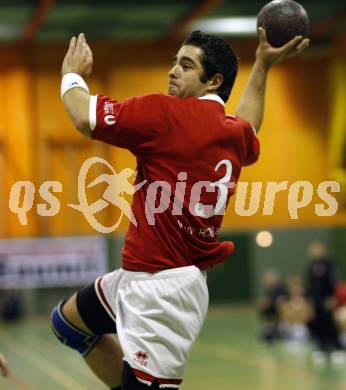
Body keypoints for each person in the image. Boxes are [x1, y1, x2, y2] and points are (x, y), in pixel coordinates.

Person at [51, 29, 309, 389]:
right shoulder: (234, 134)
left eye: (186, 65)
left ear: (213, 81)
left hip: (161, 294)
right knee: (69, 323)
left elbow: (82, 115)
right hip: (144, 278)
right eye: (174, 61)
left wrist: (71, 73)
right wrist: (263, 65)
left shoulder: (165, 114)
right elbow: (250, 123)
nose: (173, 70)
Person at [305, 240, 343, 364]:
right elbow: (309, 284)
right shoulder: (311, 266)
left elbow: (334, 281)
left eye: (316, 249)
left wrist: (332, 297)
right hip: (316, 300)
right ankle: (321, 347)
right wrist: (310, 299)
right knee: (318, 322)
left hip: (327, 298)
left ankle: (337, 347)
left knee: (329, 322)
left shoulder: (329, 264)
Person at [258, 269, 287, 342]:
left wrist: (269, 303)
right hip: (272, 314)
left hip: (282, 315)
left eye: (269, 279)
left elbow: (281, 303)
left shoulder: (281, 289)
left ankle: (277, 330)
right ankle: (268, 327)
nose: (267, 281)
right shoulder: (269, 290)